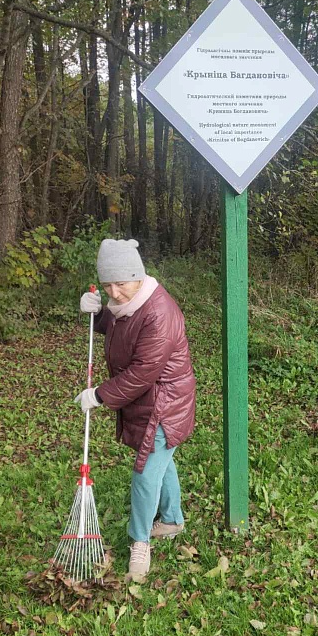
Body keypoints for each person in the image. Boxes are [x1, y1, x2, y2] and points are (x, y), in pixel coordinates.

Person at [74, 238, 196, 579]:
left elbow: (143, 372)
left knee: (144, 473)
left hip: (165, 404)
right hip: (147, 400)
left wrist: (100, 395)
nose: (114, 293)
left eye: (120, 284)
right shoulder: (127, 304)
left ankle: (140, 543)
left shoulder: (159, 313)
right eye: (107, 285)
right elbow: (119, 328)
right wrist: (98, 315)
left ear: (137, 276)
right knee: (160, 462)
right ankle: (172, 520)